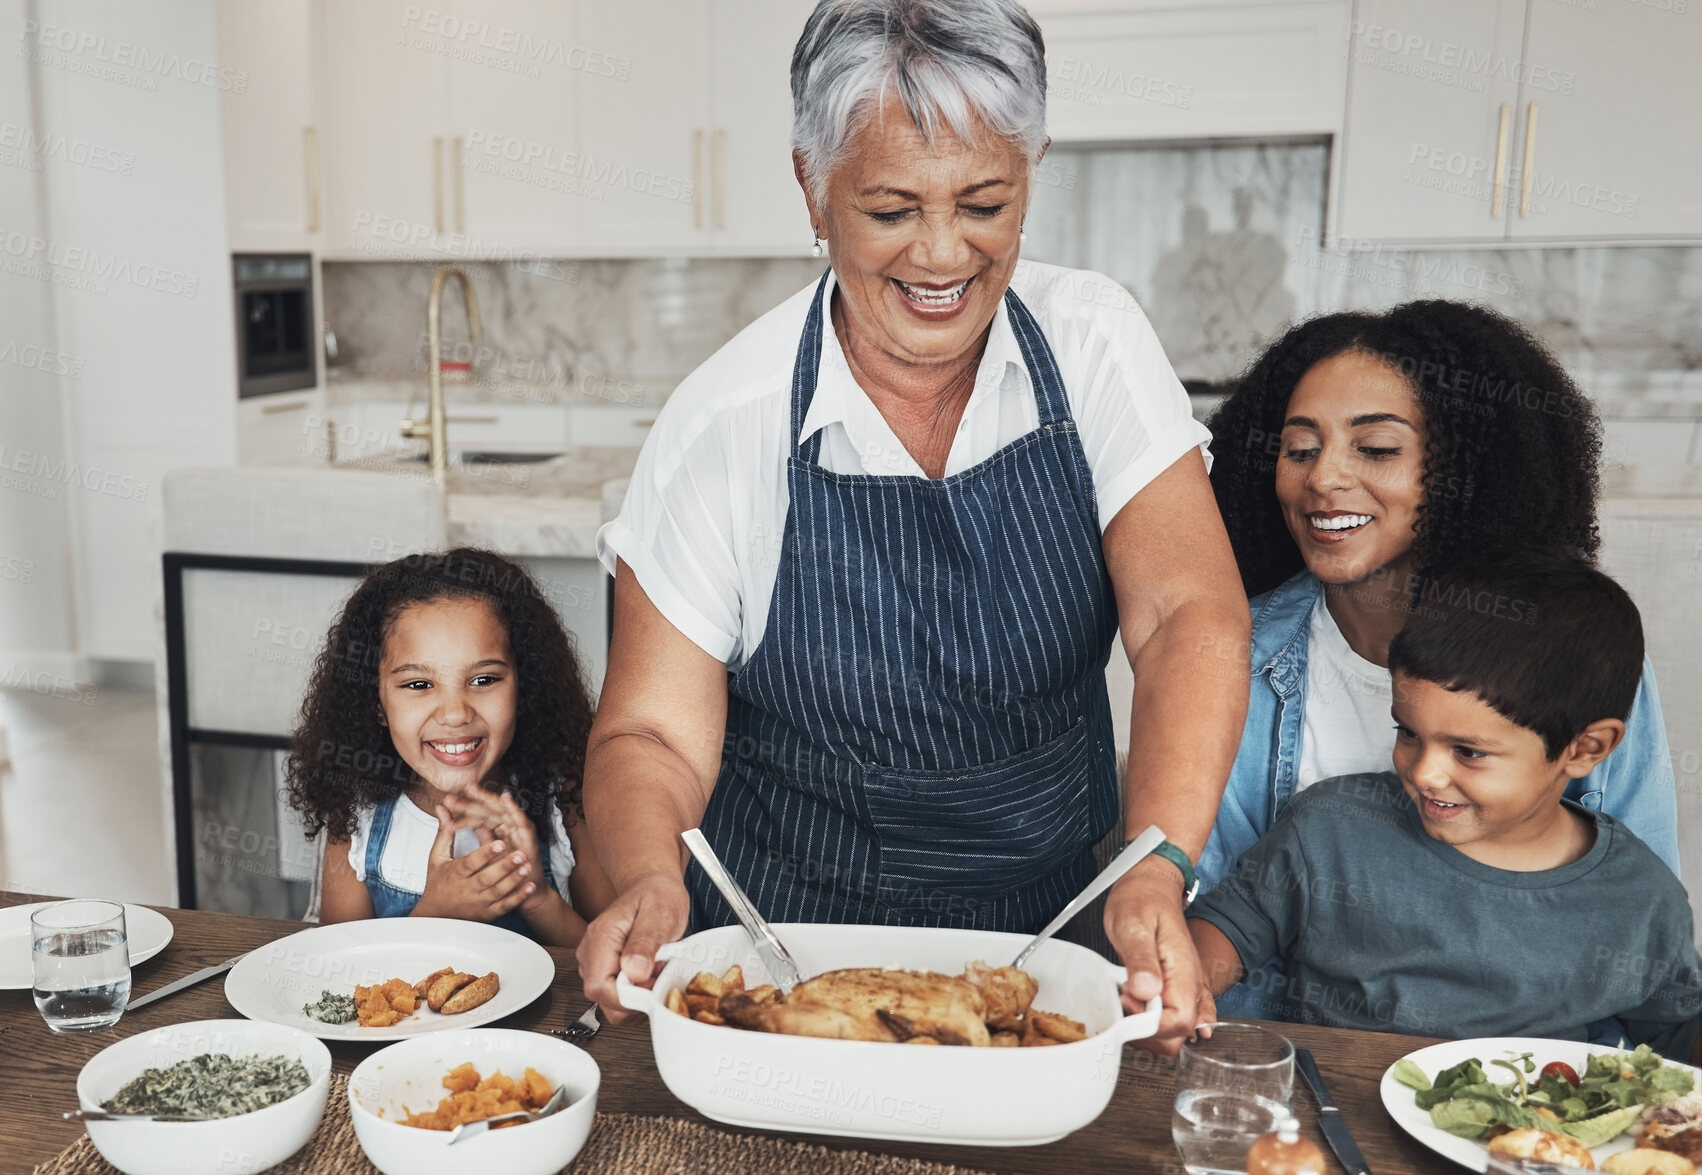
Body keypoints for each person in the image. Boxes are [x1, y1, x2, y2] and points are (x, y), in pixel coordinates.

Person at [577, 0, 1250, 1052]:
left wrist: (1155, 867)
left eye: (984, 202)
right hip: (784, 968)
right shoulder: (726, 423)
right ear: (812, 185)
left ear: (1033, 170)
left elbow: (1184, 618)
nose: (943, 255)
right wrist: (651, 879)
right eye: (892, 209)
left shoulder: (1094, 342)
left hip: (1052, 960)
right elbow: (651, 733)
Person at [1203, 300, 1678, 897]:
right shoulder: (1226, 652)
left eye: (1375, 448)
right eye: (1299, 450)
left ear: (1469, 470)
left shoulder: (1579, 657)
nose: (1323, 477)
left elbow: (1638, 907)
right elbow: (1209, 915)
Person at [1188, 552, 1702, 1053]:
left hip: (1536, 1137)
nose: (1424, 773)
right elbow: (1232, 927)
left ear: (1584, 749)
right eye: (1408, 733)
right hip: (1332, 1119)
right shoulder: (1330, 829)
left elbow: (1676, 1031)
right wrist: (1182, 986)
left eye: (1469, 752)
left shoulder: (1641, 900)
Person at [285, 548, 609, 947]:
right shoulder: (356, 812)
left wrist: (536, 896)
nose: (455, 714)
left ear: (525, 688)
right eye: (419, 685)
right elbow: (342, 965)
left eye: (484, 680)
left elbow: (615, 964)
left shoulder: (566, 798)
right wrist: (434, 912)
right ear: (377, 704)